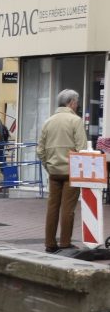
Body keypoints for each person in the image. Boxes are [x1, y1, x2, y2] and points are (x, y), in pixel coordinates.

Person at [36, 89, 87, 253]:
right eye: (76, 102)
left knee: (52, 207)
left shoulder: (48, 121)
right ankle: (65, 242)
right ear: (71, 102)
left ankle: (50, 243)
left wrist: (48, 166)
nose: (77, 105)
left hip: (54, 171)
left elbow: (40, 150)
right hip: (71, 172)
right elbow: (82, 149)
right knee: (68, 209)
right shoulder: (75, 120)